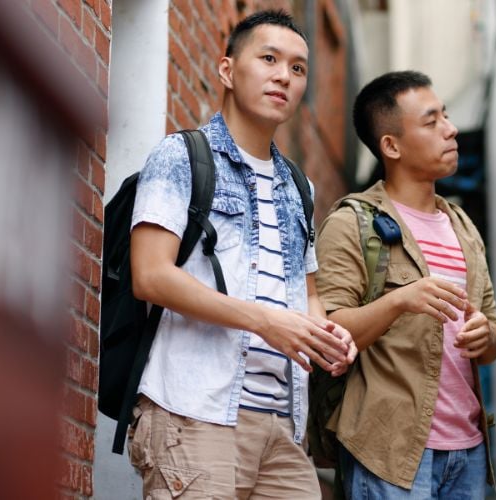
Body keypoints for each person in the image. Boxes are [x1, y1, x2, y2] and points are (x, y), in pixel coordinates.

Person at [128, 10, 356, 499]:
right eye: (269, 58)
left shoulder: (299, 186)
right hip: (196, 414)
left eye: (298, 68)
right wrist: (264, 321)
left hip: (282, 424)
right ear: (227, 71)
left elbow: (307, 293)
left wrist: (327, 332)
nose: (284, 76)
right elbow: (149, 275)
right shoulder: (181, 155)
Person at [315, 70, 496, 499]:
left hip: (470, 452)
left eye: (447, 116)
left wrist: (486, 334)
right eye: (431, 121)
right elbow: (330, 336)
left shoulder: (463, 227)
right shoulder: (352, 222)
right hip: (389, 451)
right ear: (391, 145)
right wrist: (401, 301)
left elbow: (494, 336)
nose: (451, 129)